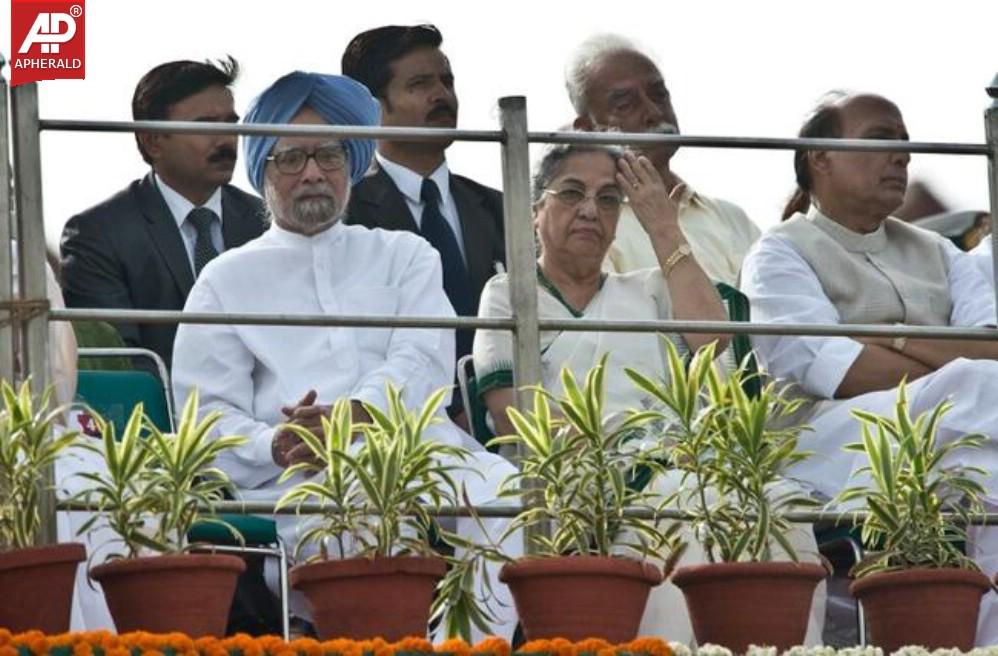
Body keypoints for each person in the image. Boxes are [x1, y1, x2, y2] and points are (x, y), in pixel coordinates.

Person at [171, 71, 518, 640]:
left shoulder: (405, 255)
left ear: (354, 164)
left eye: (330, 154)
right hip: (301, 472)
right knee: (350, 522)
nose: (312, 172)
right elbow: (205, 417)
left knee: (508, 500)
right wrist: (277, 444)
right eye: (290, 158)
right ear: (262, 173)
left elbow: (423, 358)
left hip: (420, 446)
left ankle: (476, 648)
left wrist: (355, 415)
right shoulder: (225, 280)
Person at [473, 143, 824, 644]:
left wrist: (663, 227)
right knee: (684, 515)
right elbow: (511, 414)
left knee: (780, 505)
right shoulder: (510, 293)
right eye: (572, 193)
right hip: (579, 477)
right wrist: (610, 453)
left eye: (610, 199)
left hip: (681, 466)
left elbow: (713, 339)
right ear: (535, 213)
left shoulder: (649, 291)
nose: (591, 209)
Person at [740, 91, 998, 645]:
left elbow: (993, 347)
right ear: (820, 157)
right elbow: (840, 372)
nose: (902, 157)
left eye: (905, 145)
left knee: (990, 471)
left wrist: (889, 335)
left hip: (951, 436)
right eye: (882, 141)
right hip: (825, 443)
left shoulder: (938, 249)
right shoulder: (778, 253)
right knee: (974, 387)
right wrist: (951, 359)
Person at [341, 24, 505, 428]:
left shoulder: (499, 207)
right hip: (393, 426)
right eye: (419, 84)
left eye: (447, 81)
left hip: (501, 419)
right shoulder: (345, 212)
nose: (442, 95)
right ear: (372, 107)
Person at [60, 57, 266, 368]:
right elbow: (119, 365)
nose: (226, 139)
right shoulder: (98, 235)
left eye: (230, 123)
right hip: (162, 411)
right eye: (205, 126)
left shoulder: (265, 221)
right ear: (153, 141)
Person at [565, 34, 760, 285]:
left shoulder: (732, 219)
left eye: (659, 95)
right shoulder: (586, 226)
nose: (654, 112)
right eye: (626, 104)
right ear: (587, 130)